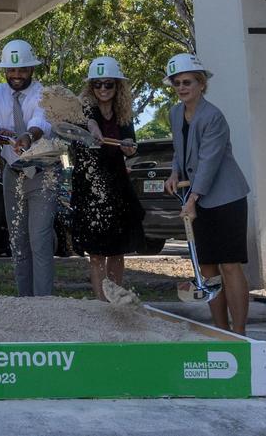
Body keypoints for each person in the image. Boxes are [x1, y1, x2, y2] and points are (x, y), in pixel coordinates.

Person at [164, 53, 251, 334]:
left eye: (187, 81)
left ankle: (239, 333)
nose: (181, 87)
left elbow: (209, 162)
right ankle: (220, 331)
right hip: (198, 200)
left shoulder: (213, 116)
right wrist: (174, 172)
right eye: (176, 83)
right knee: (208, 267)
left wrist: (191, 200)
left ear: (201, 83)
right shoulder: (175, 113)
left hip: (226, 199)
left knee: (229, 265)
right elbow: (180, 150)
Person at [0, 39, 57, 297]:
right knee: (18, 242)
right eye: (12, 70)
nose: (16, 75)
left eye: (22, 70)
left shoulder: (43, 92)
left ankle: (43, 303)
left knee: (40, 240)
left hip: (42, 173)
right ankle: (24, 302)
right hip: (12, 173)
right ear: (4, 71)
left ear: (32, 69)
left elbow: (40, 122)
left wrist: (27, 136)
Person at [69, 56, 144, 301]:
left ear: (117, 86)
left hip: (117, 187)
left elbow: (130, 146)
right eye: (97, 84)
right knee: (97, 252)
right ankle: (102, 303)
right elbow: (88, 122)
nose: (103, 89)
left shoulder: (123, 115)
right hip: (90, 188)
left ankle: (116, 299)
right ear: (91, 87)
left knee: (117, 250)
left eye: (108, 84)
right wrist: (94, 130)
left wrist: (129, 148)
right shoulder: (82, 110)